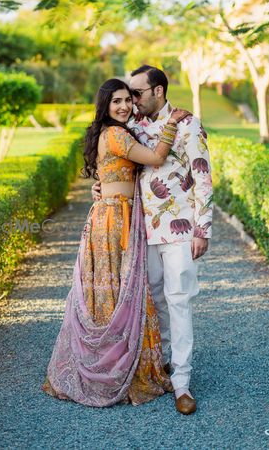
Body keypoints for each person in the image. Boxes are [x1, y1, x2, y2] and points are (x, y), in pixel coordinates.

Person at [41, 78, 188, 407]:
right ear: (105, 105)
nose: (123, 106)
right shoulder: (117, 133)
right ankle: (115, 370)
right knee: (120, 292)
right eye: (116, 101)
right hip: (114, 222)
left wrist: (101, 189)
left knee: (114, 291)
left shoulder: (110, 133)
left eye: (127, 100)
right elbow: (155, 158)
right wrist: (172, 123)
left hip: (110, 216)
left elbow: (110, 175)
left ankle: (114, 362)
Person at [92, 65, 214, 415]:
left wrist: (202, 229)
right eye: (128, 95)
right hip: (141, 230)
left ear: (158, 91)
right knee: (153, 298)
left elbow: (203, 177)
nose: (131, 100)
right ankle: (159, 367)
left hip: (179, 229)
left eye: (137, 93)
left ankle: (183, 384)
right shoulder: (131, 127)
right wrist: (98, 185)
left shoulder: (187, 124)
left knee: (178, 300)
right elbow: (116, 163)